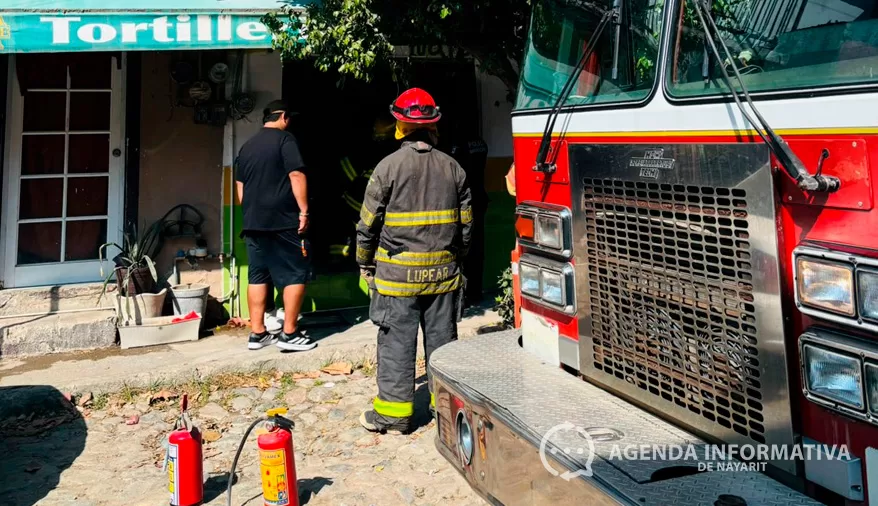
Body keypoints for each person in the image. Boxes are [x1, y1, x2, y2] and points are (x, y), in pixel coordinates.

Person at [356, 88, 473, 434]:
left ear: (400, 127)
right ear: (433, 127)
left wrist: (365, 264)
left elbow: (367, 224)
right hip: (443, 277)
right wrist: (457, 260)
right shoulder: (453, 168)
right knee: (443, 345)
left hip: (397, 281)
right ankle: (446, 412)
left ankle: (394, 417)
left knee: (396, 344)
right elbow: (466, 227)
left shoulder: (387, 167)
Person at [235, 99, 317, 352]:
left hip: (253, 222)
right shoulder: (285, 140)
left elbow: (240, 187)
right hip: (282, 221)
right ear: (283, 117)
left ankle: (258, 333)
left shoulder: (247, 146)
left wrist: (251, 212)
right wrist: (303, 211)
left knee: (257, 275)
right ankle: (289, 333)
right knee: (296, 273)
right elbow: (296, 174)